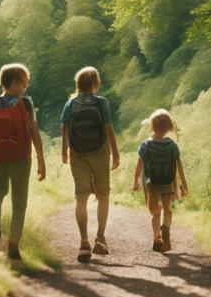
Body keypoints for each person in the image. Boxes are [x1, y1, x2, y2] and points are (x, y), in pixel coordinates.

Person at [0, 63, 46, 260]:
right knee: (20, 201)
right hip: (22, 157)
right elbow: (34, 132)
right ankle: (13, 244)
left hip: (0, 157)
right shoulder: (26, 103)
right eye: (24, 83)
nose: (25, 87)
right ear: (16, 83)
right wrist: (40, 158)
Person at [61, 66, 120, 262]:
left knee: (81, 197)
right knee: (103, 195)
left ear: (78, 84)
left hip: (77, 153)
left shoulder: (70, 103)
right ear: (96, 84)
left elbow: (65, 129)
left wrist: (65, 151)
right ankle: (100, 239)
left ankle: (84, 242)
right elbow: (108, 128)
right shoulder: (102, 102)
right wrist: (115, 153)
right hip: (100, 152)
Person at [133, 109, 188, 252]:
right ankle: (166, 232)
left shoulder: (146, 144)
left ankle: (157, 237)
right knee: (167, 209)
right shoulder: (172, 145)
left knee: (155, 212)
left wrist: (136, 180)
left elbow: (139, 165)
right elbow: (179, 166)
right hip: (168, 182)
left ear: (152, 126)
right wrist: (183, 184)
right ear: (169, 127)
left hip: (152, 183)